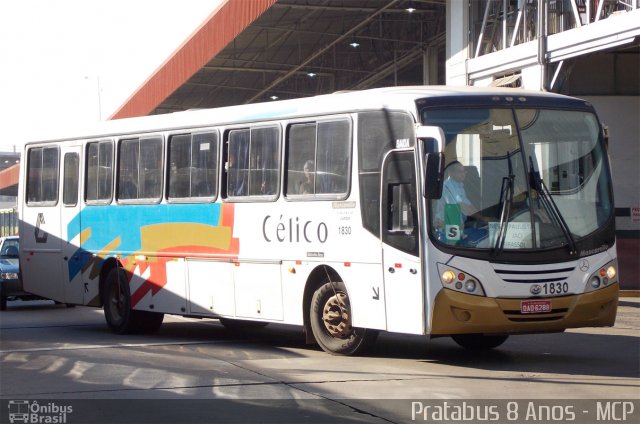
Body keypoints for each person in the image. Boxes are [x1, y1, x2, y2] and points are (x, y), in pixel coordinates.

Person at [433, 160, 487, 245]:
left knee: (485, 233)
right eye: (460, 172)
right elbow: (463, 207)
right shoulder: (447, 186)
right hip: (447, 229)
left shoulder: (459, 186)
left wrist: (482, 217)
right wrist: (483, 218)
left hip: (456, 227)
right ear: (451, 173)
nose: (463, 174)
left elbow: (469, 205)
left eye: (464, 171)